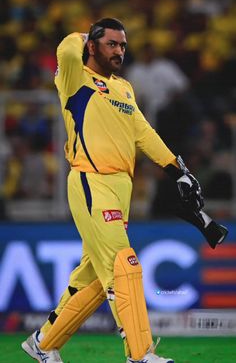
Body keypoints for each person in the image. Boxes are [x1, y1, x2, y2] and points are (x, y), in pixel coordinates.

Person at [21, 18, 205, 363]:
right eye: (111, 44)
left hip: (122, 188)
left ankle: (43, 343)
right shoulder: (75, 78)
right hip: (91, 180)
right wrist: (84, 34)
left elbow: (144, 133)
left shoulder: (124, 89)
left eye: (123, 45)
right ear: (92, 46)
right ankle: (140, 354)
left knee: (94, 277)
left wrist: (178, 171)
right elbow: (64, 48)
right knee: (124, 261)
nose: (120, 50)